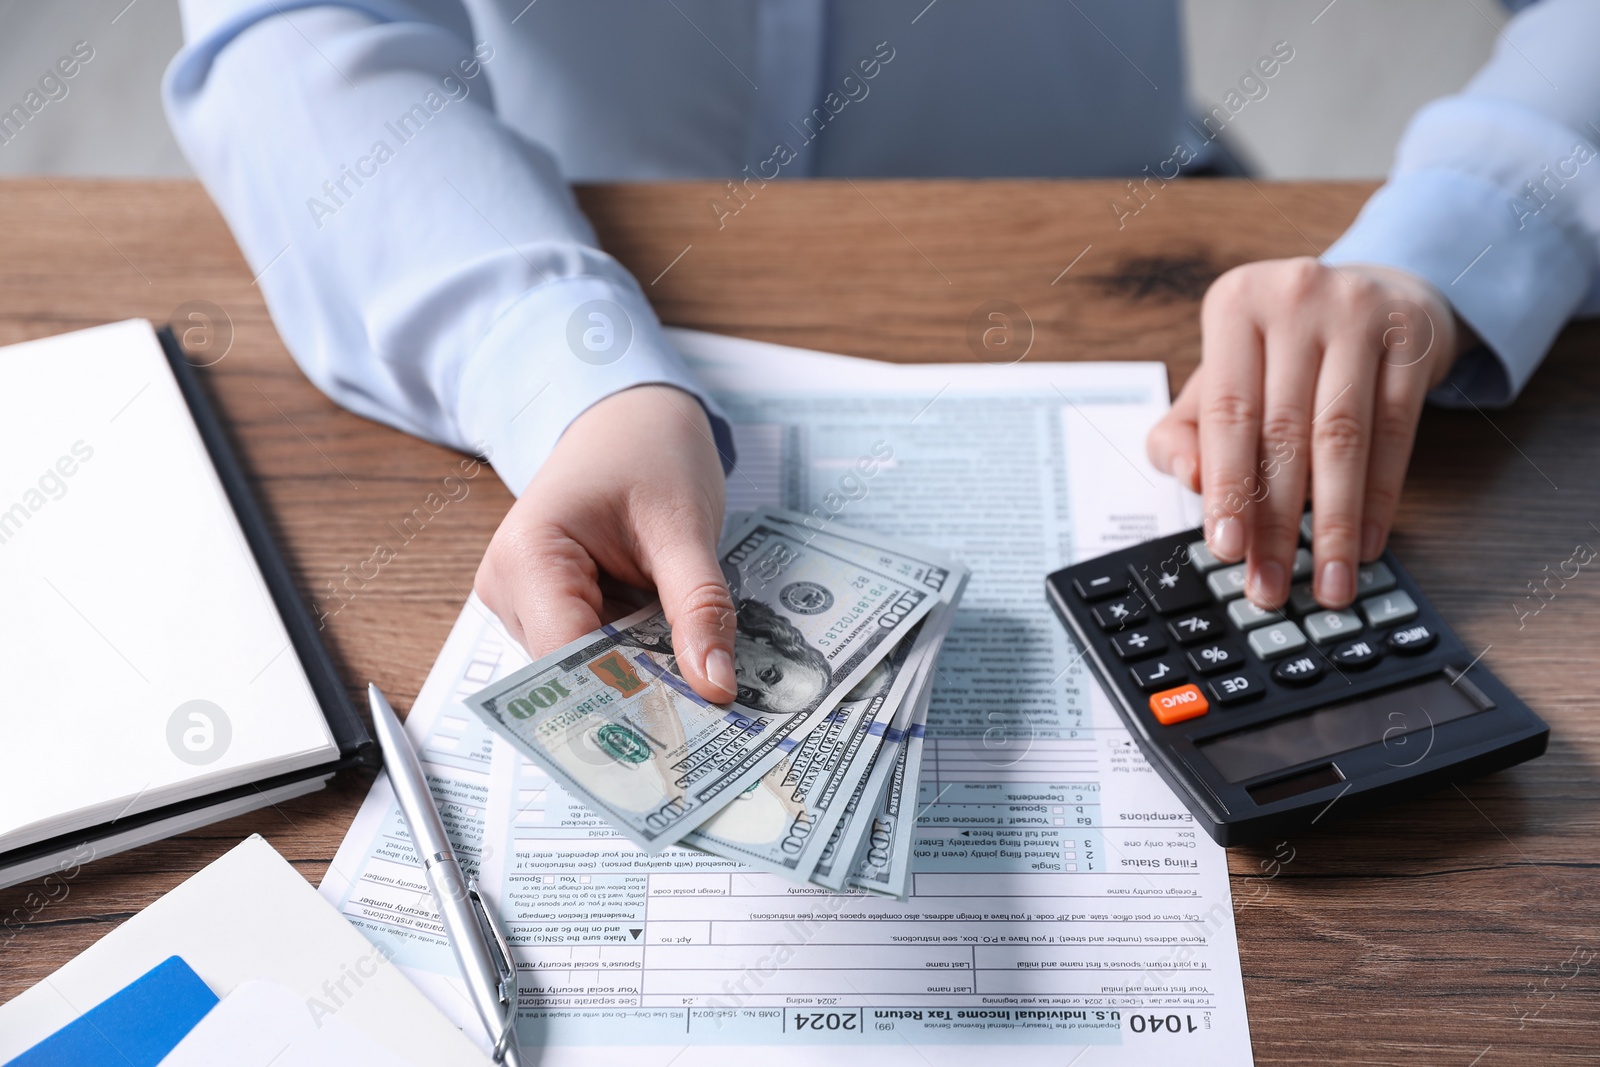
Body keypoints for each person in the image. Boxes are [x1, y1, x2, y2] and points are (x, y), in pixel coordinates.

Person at [165, 1, 1599, 707]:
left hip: (1140, 240)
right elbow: (287, 32)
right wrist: (556, 369)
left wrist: (1462, 231)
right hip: (569, 263)